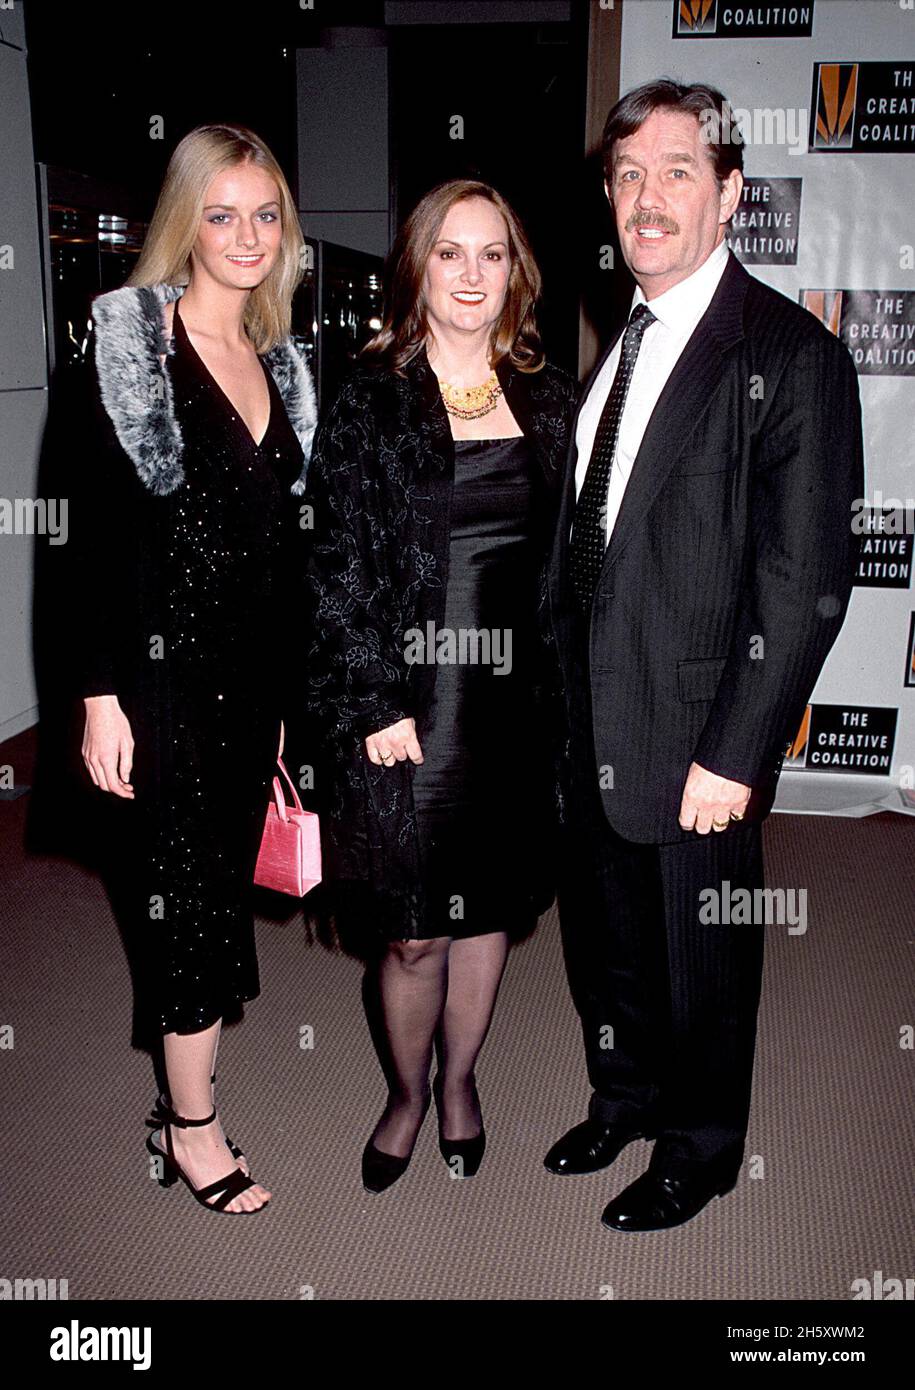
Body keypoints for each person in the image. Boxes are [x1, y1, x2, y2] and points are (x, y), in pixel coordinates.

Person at [544, 79, 863, 1231]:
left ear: (731, 194)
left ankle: (703, 1149)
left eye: (679, 170)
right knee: (613, 948)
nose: (648, 197)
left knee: (703, 962)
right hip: (590, 719)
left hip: (698, 736)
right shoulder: (617, 341)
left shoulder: (789, 354)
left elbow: (805, 581)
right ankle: (625, 1097)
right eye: (628, 175)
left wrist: (739, 750)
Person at [302, 179, 576, 1192]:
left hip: (513, 714)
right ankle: (406, 1093)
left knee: (487, 920)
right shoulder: (370, 401)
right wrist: (372, 698)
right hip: (408, 712)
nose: (472, 275)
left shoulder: (551, 399)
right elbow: (329, 564)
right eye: (450, 253)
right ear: (418, 270)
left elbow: (572, 565)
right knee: (415, 935)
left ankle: (460, 1082)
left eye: (492, 254)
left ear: (516, 272)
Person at [63, 124, 316, 1213]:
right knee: (188, 924)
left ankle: (187, 1102)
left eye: (266, 215)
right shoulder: (131, 350)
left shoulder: (283, 361)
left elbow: (284, 556)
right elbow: (82, 543)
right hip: (157, 691)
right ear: (186, 222)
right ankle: (192, 1132)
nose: (247, 235)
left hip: (245, 694)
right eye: (223, 214)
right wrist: (97, 695)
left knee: (210, 900)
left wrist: (289, 714)